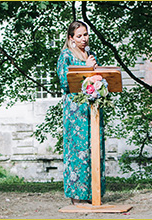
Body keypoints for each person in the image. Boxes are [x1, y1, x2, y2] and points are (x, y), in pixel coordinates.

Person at [57, 21, 105, 205]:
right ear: (71, 38)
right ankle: (77, 196)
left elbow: (99, 78)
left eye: (85, 34)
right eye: (79, 36)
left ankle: (94, 192)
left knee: (94, 148)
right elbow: (65, 82)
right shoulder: (66, 55)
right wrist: (86, 67)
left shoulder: (91, 54)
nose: (83, 39)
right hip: (75, 111)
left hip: (92, 109)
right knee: (78, 151)